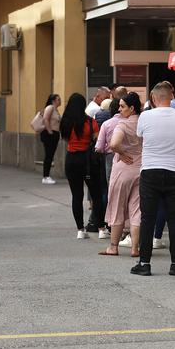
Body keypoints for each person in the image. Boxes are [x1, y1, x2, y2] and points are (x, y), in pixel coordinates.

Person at [131, 82, 175, 277]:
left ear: (153, 98)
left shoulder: (145, 116)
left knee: (147, 217)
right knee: (174, 219)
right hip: (174, 171)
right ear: (171, 97)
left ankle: (144, 262)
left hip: (150, 171)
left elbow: (140, 142)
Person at [99, 92, 143, 257]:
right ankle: (134, 248)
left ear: (132, 108)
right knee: (136, 210)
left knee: (117, 207)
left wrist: (122, 153)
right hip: (140, 168)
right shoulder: (143, 123)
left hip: (123, 169)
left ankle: (113, 246)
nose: (119, 109)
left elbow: (114, 144)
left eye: (122, 106)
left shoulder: (122, 125)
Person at [60, 93, 107, 239]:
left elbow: (66, 139)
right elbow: (97, 139)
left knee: (76, 195)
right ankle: (100, 228)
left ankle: (80, 230)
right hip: (88, 161)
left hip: (71, 159)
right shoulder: (89, 122)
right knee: (96, 195)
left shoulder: (66, 122)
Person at [41, 93, 61, 184]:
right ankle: (46, 176)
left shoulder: (56, 110)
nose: (59, 101)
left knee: (50, 155)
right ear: (53, 101)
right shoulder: (50, 108)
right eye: (58, 99)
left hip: (54, 134)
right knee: (48, 155)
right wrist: (50, 132)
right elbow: (45, 119)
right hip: (50, 134)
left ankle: (47, 175)